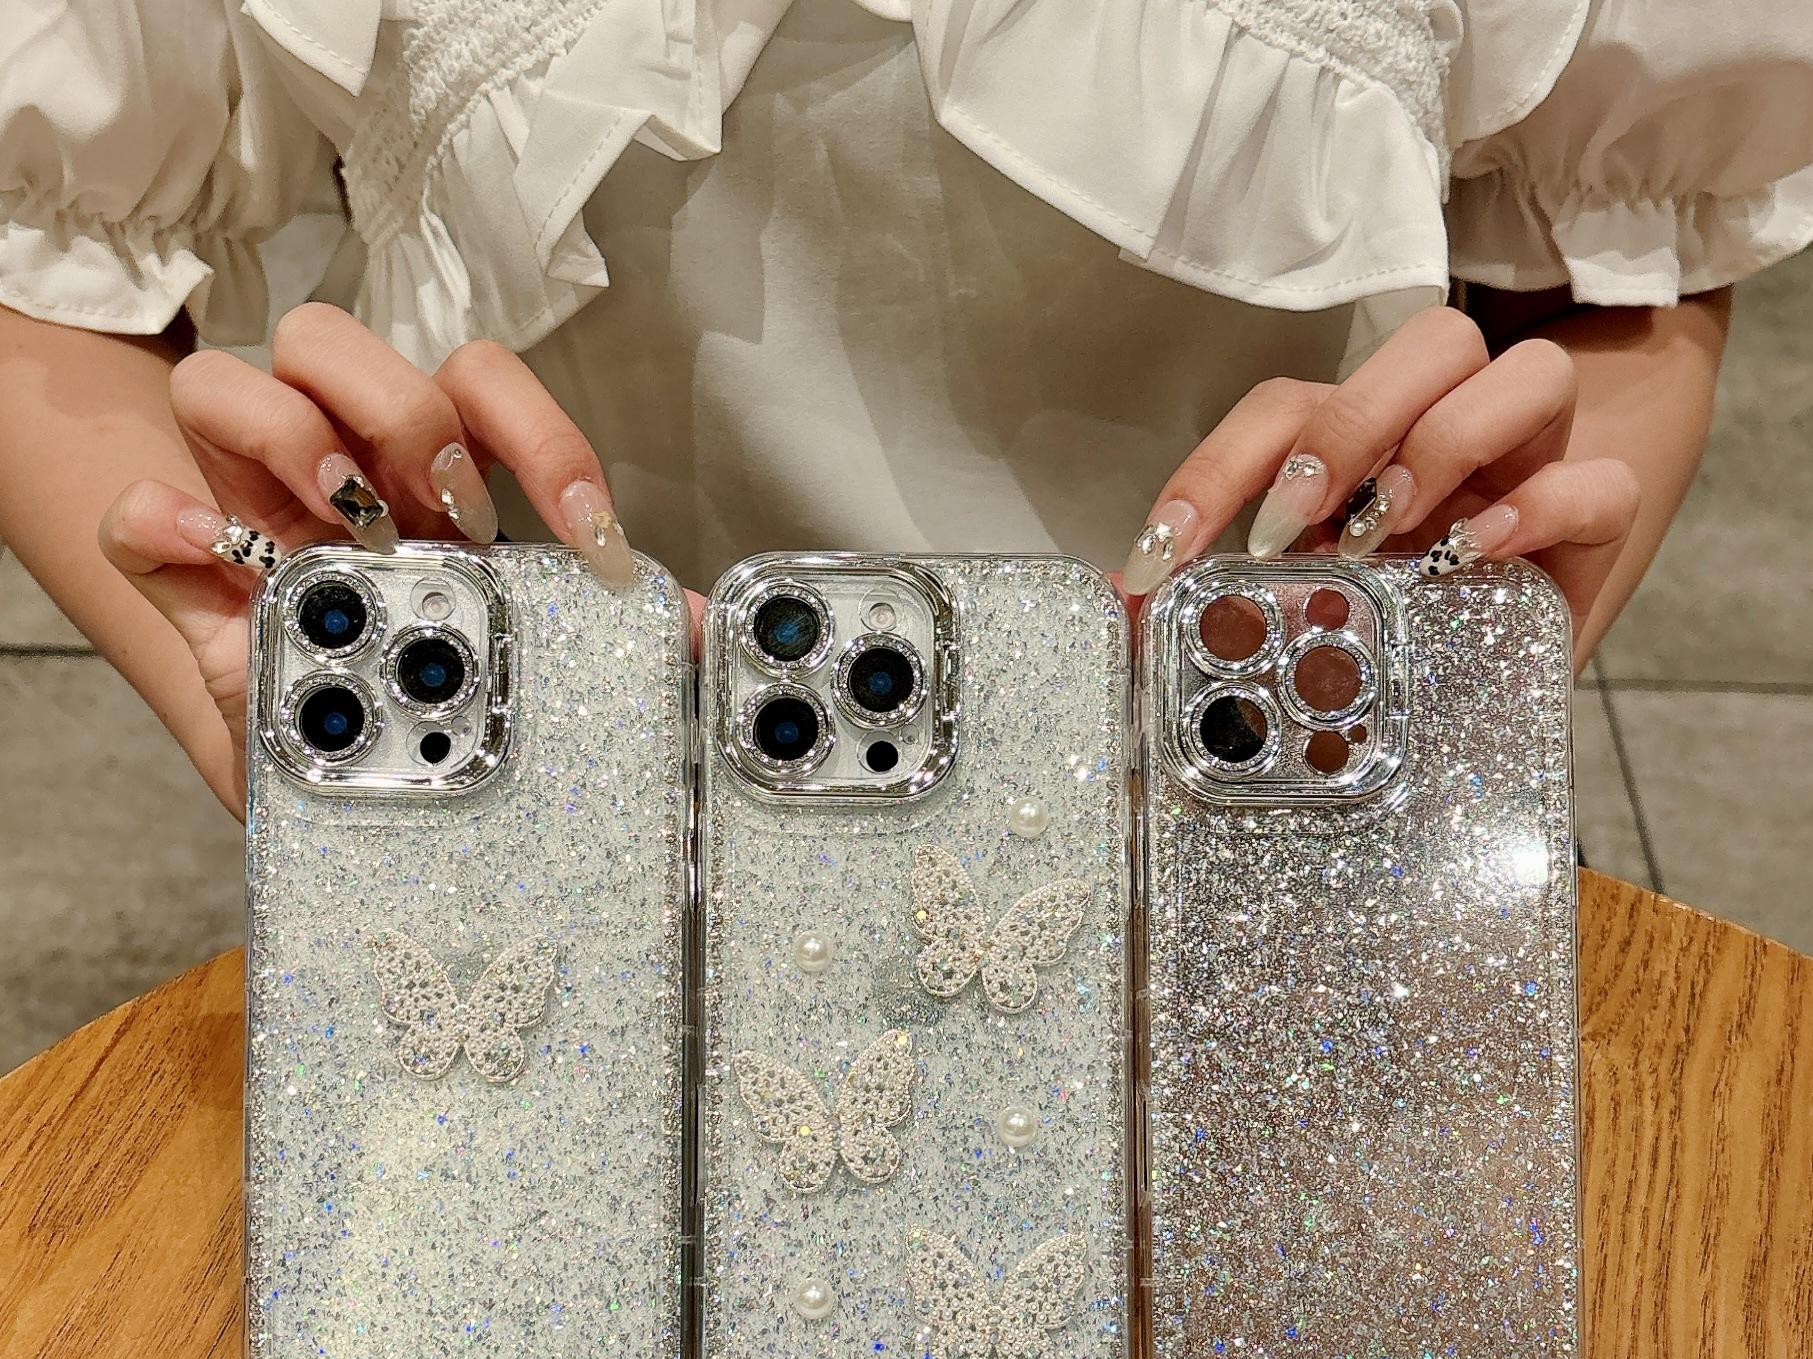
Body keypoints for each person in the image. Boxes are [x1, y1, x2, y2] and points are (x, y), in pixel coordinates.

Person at [1, 1, 1808, 816]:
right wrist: (278, 696)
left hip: (1286, 851)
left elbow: (1620, 251)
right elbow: (46, 246)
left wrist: (1478, 633)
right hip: (549, 900)